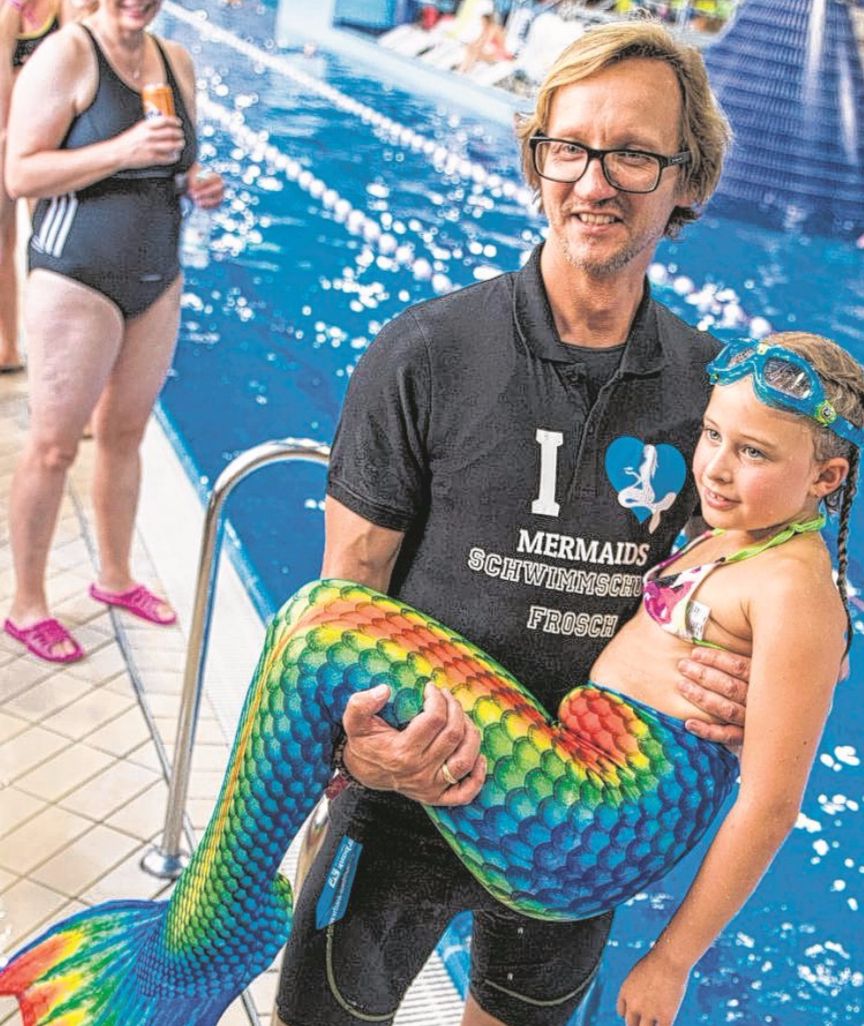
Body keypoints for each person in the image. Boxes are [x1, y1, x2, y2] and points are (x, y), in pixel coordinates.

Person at [2, 332, 860, 1026]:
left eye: (751, 452)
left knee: (322, 636)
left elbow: (773, 803)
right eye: (712, 434)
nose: (713, 466)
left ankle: (211, 929)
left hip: (593, 821)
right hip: (580, 777)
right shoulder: (751, 538)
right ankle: (211, 913)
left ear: (827, 478)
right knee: (321, 622)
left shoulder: (795, 591)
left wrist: (671, 961)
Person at [272, 19, 758, 1026]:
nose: (595, 181)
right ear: (538, 161)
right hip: (398, 795)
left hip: (576, 826)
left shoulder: (714, 393)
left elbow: (742, 584)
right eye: (571, 147)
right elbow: (341, 604)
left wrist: (785, 647)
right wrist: (356, 753)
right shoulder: (425, 355)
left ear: (687, 181)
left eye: (633, 153)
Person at [2, 0, 224, 662]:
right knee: (53, 447)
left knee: (126, 437)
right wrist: (121, 149)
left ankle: (116, 577)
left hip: (157, 276)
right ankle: (27, 602)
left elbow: (179, 162)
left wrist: (196, 182)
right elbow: (19, 172)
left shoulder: (174, 62)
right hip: (77, 277)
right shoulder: (68, 54)